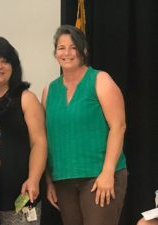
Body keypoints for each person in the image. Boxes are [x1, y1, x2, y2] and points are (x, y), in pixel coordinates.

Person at [41, 24, 128, 225]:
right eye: (61, 48)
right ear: (55, 53)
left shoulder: (100, 80)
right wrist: (48, 180)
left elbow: (119, 126)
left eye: (73, 47)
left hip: (99, 178)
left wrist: (107, 173)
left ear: (84, 50)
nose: (67, 52)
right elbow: (46, 139)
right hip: (63, 179)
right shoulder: (49, 91)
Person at [0, 36, 47, 225]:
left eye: (5, 61)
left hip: (21, 191)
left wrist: (34, 178)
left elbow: (39, 142)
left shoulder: (26, 98)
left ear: (13, 66)